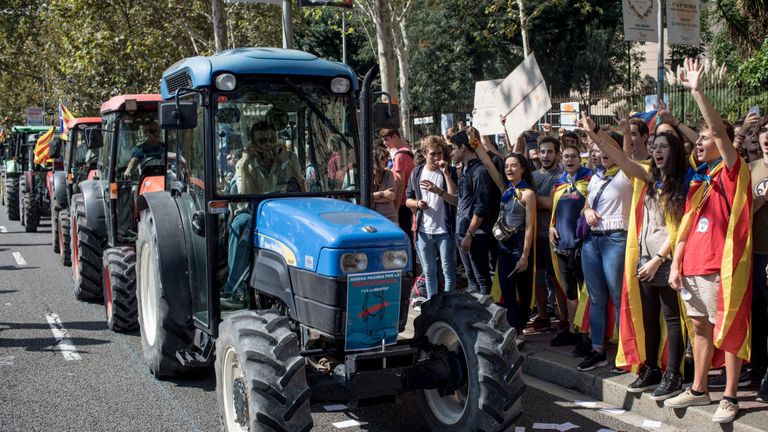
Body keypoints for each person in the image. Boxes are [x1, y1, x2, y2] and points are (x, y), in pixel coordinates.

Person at [666, 58, 753, 424]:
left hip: (722, 269)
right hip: (693, 269)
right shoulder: (700, 181)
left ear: (723, 145)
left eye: (702, 139)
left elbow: (717, 131)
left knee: (728, 329)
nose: (697, 143)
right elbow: (686, 228)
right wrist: (676, 263)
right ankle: (700, 388)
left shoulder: (733, 171)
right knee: (700, 328)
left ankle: (730, 397)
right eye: (696, 139)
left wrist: (698, 91)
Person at [596, 116, 690, 400]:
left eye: (663, 146)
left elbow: (680, 229)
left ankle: (674, 374)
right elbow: (622, 159)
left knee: (672, 319)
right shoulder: (649, 177)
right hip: (643, 259)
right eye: (654, 146)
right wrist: (595, 133)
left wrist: (658, 259)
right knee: (648, 317)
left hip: (664, 261)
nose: (657, 150)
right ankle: (651, 368)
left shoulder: (683, 184)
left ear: (674, 151)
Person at [577, 118, 633, 372]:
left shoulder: (626, 172)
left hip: (616, 240)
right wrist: (587, 211)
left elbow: (625, 151)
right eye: (598, 152)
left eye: (606, 150)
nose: (602, 155)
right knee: (597, 298)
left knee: (618, 297)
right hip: (593, 241)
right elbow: (587, 204)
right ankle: (598, 350)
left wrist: (600, 132)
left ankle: (625, 352)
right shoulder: (596, 177)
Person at [222, 121, 279, 308]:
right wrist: (245, 164)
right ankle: (234, 289)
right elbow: (245, 197)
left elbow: (302, 188)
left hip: (280, 212)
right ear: (253, 143)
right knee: (243, 224)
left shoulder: (287, 159)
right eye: (263, 140)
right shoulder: (244, 164)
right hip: (251, 211)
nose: (268, 144)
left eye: (272, 139)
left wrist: (290, 162)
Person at [549, 144, 592, 348]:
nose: (570, 160)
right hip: (562, 246)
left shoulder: (589, 181)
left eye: (574, 156)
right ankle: (573, 331)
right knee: (570, 293)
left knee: (587, 291)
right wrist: (551, 227)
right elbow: (555, 212)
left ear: (580, 159)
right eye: (566, 156)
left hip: (582, 246)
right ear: (561, 160)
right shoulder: (559, 184)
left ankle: (588, 333)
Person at [405, 136, 458, 299]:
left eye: (439, 154)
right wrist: (417, 204)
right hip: (423, 230)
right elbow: (407, 200)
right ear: (424, 154)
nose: (437, 158)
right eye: (432, 154)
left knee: (448, 270)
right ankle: (432, 305)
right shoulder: (417, 172)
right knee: (429, 272)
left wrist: (445, 177)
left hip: (444, 230)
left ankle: (447, 305)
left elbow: (454, 199)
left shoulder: (449, 171)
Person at [494, 152, 537, 346]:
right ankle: (512, 329)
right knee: (507, 288)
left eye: (513, 165)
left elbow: (529, 226)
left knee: (524, 289)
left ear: (522, 168)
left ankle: (519, 329)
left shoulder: (528, 194)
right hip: (504, 244)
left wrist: (525, 255)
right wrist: (476, 142)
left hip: (520, 244)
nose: (509, 169)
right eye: (506, 166)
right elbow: (488, 163)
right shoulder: (505, 189)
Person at [528, 136, 566, 334]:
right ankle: (543, 317)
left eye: (550, 151)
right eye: (542, 151)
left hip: (552, 237)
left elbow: (552, 203)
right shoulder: (532, 175)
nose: (545, 155)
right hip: (534, 236)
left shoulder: (561, 177)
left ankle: (563, 318)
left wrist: (529, 198)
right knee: (538, 279)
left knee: (556, 279)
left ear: (557, 154)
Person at [452, 131, 497, 295]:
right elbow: (462, 201)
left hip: (475, 234)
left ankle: (487, 317)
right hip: (463, 231)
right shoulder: (464, 170)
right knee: (471, 280)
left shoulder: (479, 172)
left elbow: (481, 206)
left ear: (463, 148)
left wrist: (469, 234)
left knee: (482, 280)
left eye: (453, 148)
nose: (451, 152)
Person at [750, 115, 768, 403]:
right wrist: (759, 201)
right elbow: (740, 213)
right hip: (752, 254)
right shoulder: (751, 168)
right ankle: (757, 368)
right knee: (757, 316)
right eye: (765, 132)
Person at [372, 145, 397, 223]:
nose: (385, 160)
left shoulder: (389, 174)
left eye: (385, 157)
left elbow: (391, 196)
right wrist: (383, 193)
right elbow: (364, 197)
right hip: (371, 217)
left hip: (389, 217)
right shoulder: (366, 176)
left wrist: (373, 197)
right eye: (382, 158)